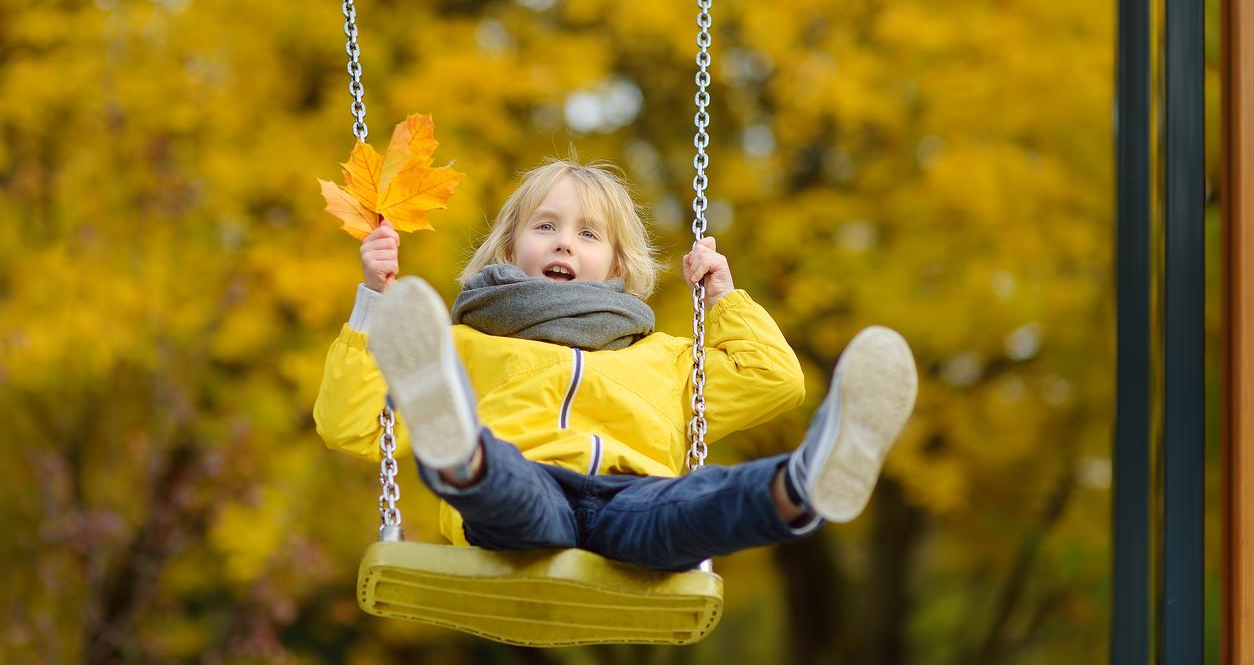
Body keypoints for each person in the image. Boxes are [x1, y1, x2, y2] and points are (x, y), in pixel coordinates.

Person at [314, 158, 917, 572]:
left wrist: (722, 297)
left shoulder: (667, 359)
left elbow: (774, 379)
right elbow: (349, 423)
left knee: (698, 502)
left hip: (633, 498)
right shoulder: (461, 345)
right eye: (544, 226)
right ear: (508, 251)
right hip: (529, 491)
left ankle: (806, 482)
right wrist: (374, 298)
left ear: (619, 267)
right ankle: (461, 452)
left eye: (587, 233)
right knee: (512, 493)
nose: (563, 242)